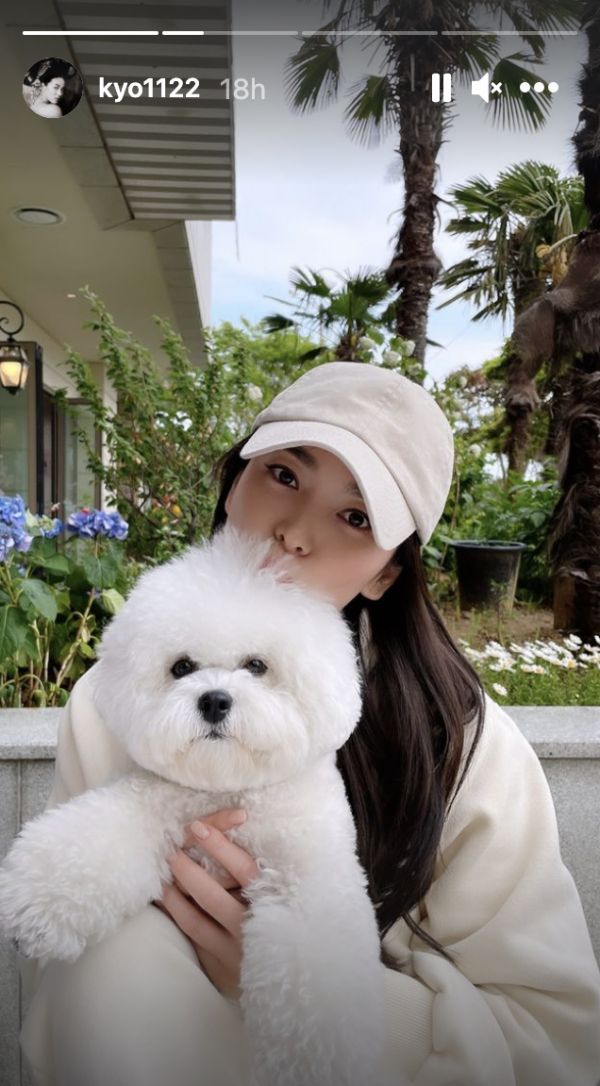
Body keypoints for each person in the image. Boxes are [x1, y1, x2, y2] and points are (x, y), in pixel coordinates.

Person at [17, 361, 600, 1086]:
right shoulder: (116, 699)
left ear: (388, 572)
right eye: (285, 476)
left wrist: (304, 994)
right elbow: (72, 961)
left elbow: (558, 1042)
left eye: (355, 517)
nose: (294, 533)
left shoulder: (466, 746)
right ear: (235, 480)